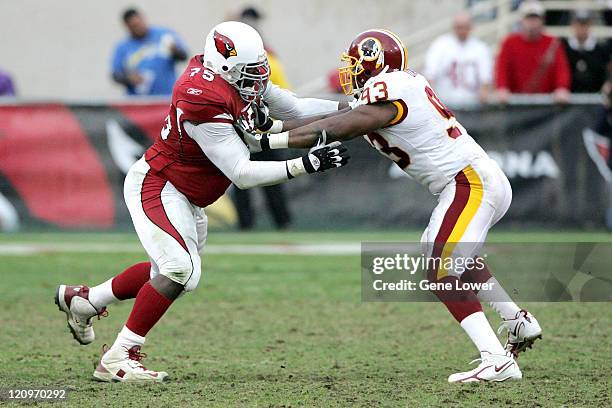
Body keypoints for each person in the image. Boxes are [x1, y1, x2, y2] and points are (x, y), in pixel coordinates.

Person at [55, 21, 349, 383]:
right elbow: (241, 172)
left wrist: (349, 107)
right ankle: (119, 357)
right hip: (160, 186)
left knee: (172, 274)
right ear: (225, 66)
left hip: (187, 194)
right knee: (179, 270)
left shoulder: (231, 79)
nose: (257, 81)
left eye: (259, 72)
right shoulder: (202, 97)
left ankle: (87, 300)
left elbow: (293, 106)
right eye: (250, 73)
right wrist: (306, 164)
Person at [247, 29, 542, 383]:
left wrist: (268, 140)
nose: (351, 71)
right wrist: (276, 124)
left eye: (356, 64)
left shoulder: (390, 90)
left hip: (469, 183)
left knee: (440, 268)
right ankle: (517, 322)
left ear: (375, 64)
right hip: (473, 182)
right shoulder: (387, 93)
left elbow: (339, 126)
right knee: (443, 255)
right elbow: (323, 115)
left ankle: (496, 358)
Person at [232, 6, 294, 230]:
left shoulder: (270, 60)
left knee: (273, 178)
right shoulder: (228, 61)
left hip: (265, 130)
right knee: (240, 179)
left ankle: (283, 223)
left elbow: (284, 97)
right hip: (238, 131)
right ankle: (245, 226)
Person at [495, 1, 571, 103]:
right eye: (529, 18)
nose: (532, 22)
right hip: (515, 104)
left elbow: (562, 70)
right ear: (521, 20)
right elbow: (502, 68)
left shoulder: (553, 44)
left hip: (547, 104)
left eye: (535, 18)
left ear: (542, 20)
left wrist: (561, 87)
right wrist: (502, 88)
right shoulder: (509, 43)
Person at [111, 8, 188, 96]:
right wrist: (129, 79)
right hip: (138, 102)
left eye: (140, 23)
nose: (139, 28)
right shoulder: (123, 46)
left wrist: (175, 51)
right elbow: (115, 75)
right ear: (127, 27)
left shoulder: (163, 35)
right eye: (134, 26)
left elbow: (184, 57)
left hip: (166, 98)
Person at [424, 12, 493, 107]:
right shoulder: (440, 45)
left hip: (472, 105)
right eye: (459, 27)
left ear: (471, 27)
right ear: (453, 27)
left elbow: (485, 78)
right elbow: (430, 74)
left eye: (465, 27)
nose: (462, 31)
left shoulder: (480, 48)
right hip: (445, 104)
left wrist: (484, 92)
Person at [562, 10, 610, 93]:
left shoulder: (601, 49)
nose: (581, 28)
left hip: (596, 98)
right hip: (568, 98)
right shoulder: (564, 48)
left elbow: (606, 72)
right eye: (579, 24)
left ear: (590, 25)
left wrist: (607, 83)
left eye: (584, 24)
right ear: (573, 24)